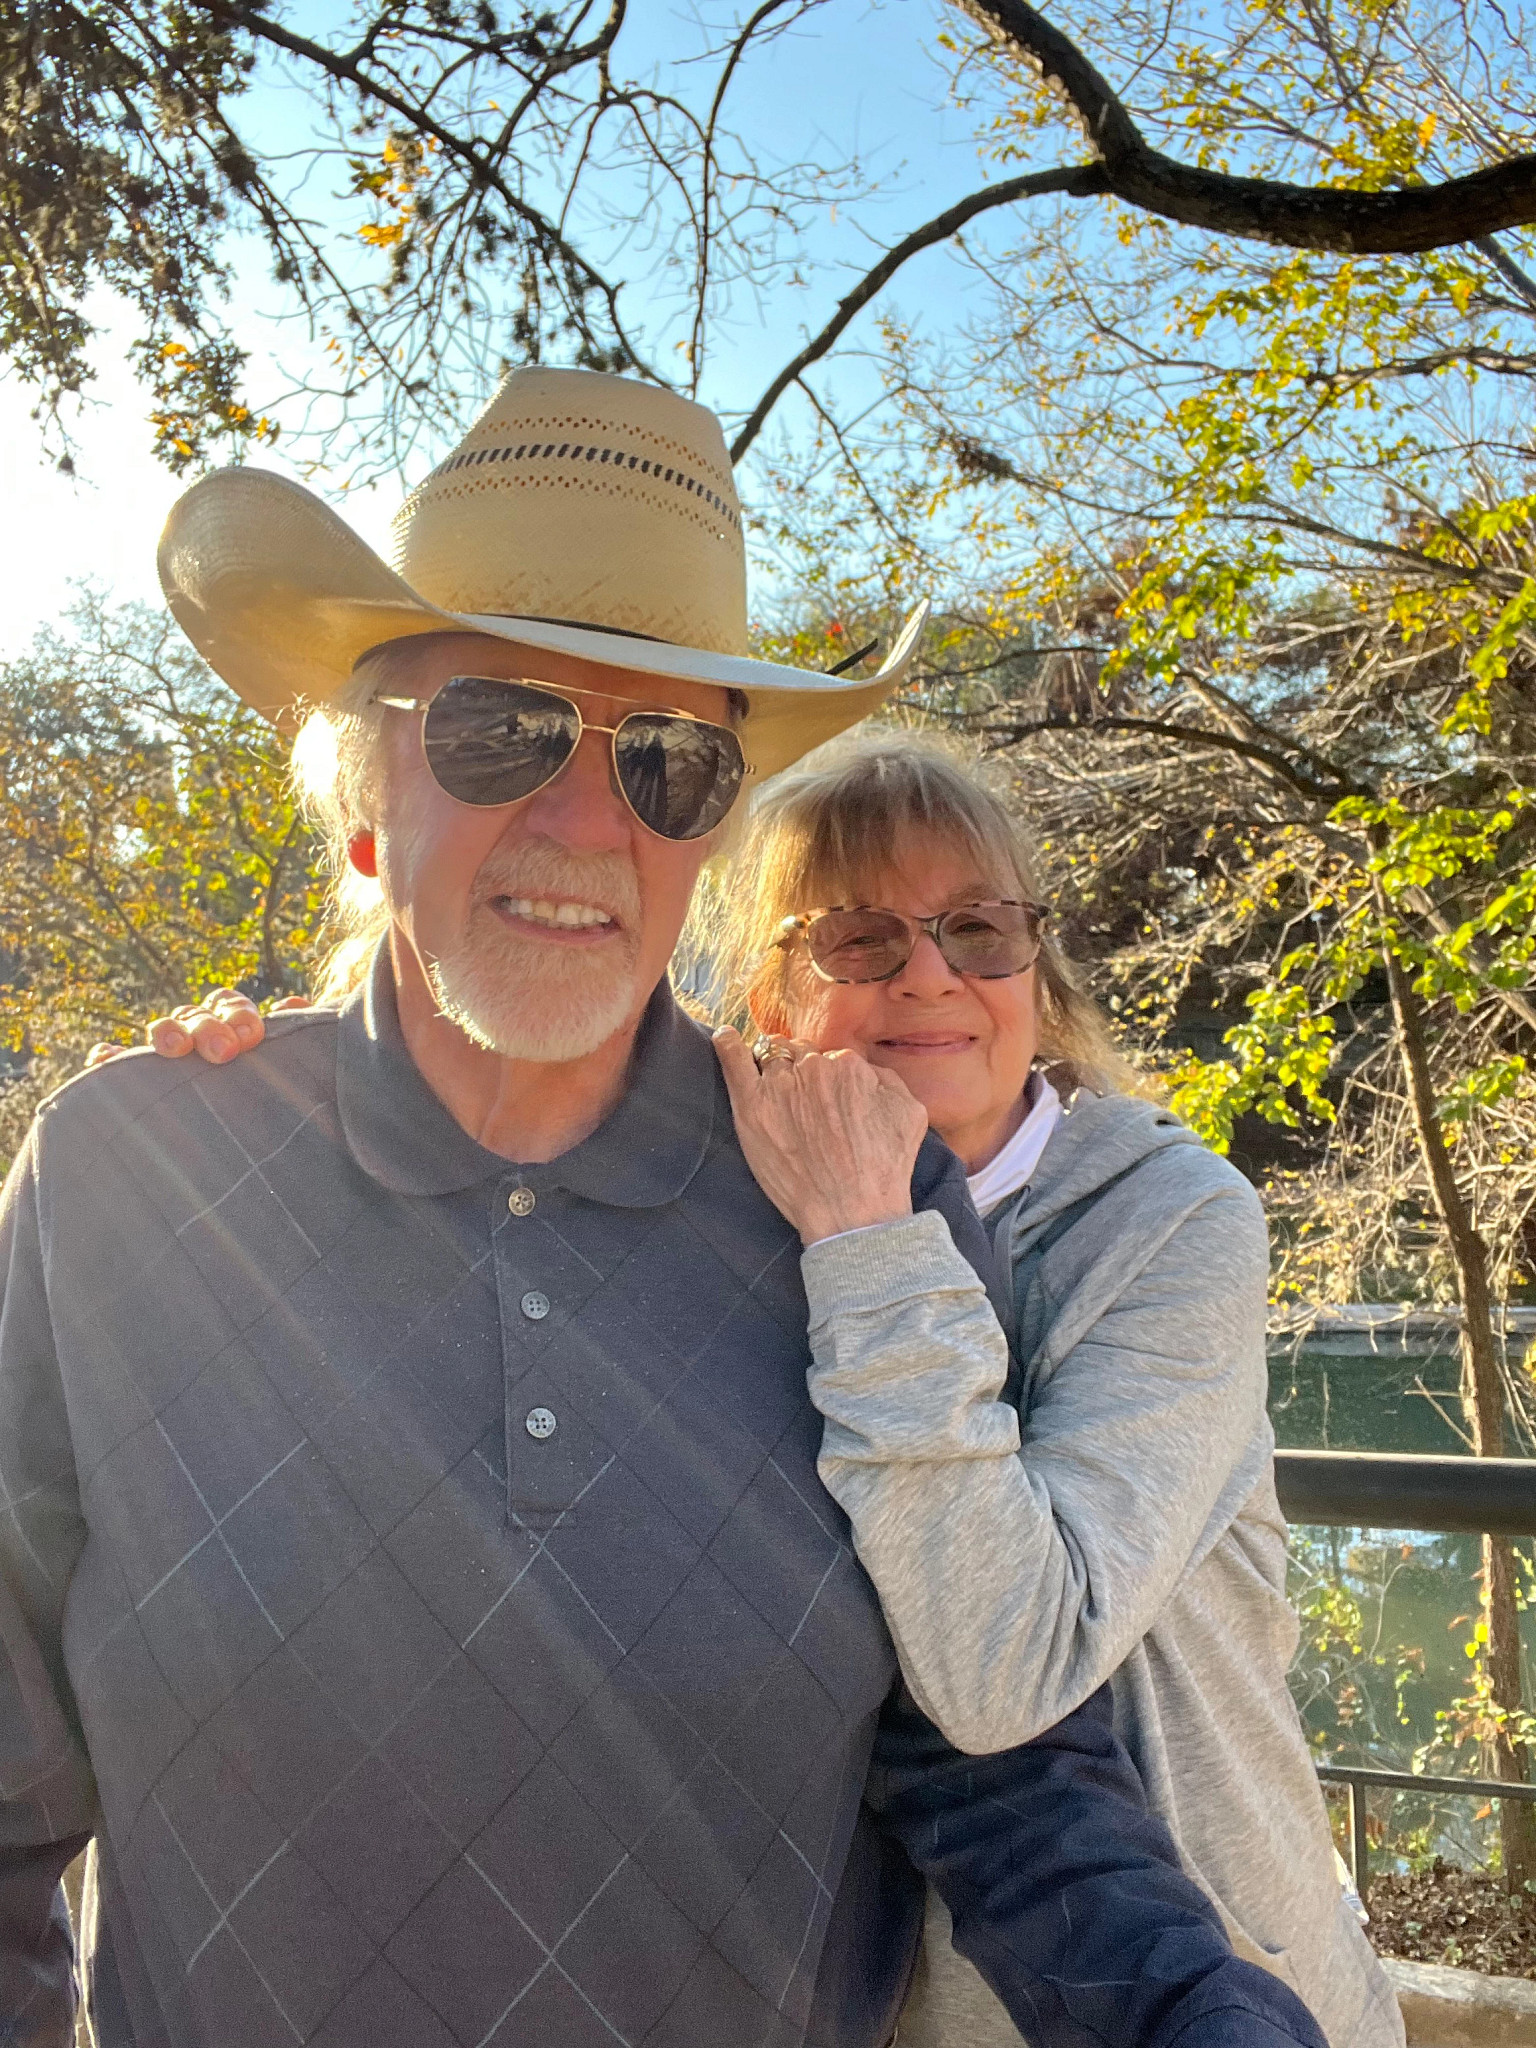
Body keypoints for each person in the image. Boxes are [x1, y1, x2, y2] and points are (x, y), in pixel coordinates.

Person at [0, 368, 1337, 2048]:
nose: (583, 822)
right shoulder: (128, 1179)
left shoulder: (863, 1209)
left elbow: (988, 1767)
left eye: (669, 765)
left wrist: (1205, 2016)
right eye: (499, 731)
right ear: (360, 802)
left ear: (710, 841)